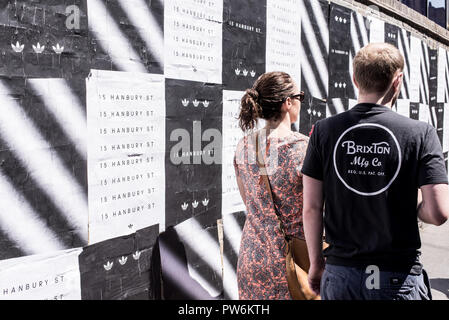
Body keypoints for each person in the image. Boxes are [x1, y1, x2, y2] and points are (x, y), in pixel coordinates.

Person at [301, 43, 449, 300]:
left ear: (355, 79)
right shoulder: (420, 133)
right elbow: (438, 213)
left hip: (341, 274)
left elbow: (312, 208)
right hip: (397, 275)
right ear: (398, 80)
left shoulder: (323, 131)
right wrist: (415, 205)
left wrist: (315, 264)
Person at [233, 71, 308, 299]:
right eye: (300, 97)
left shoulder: (244, 145)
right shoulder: (303, 147)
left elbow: (251, 203)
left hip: (251, 256)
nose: (300, 102)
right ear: (288, 102)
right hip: (293, 262)